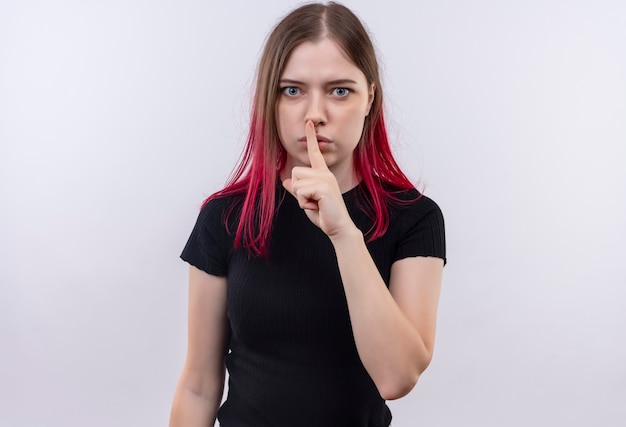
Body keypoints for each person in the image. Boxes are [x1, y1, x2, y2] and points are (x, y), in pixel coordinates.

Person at [169, 2, 446, 426]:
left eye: (339, 90)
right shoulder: (224, 217)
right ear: (271, 99)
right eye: (292, 90)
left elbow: (397, 376)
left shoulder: (415, 218)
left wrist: (344, 234)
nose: (314, 114)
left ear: (369, 97)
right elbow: (199, 385)